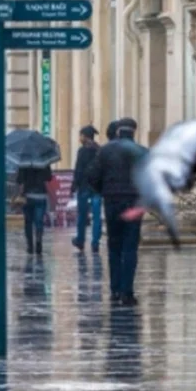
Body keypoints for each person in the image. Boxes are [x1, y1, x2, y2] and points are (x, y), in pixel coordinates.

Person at [87, 117, 149, 305]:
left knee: (114, 245)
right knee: (130, 246)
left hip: (112, 201)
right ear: (133, 132)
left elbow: (92, 176)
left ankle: (114, 290)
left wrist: (104, 191)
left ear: (118, 132)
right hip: (134, 203)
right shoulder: (143, 152)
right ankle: (127, 292)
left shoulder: (104, 151)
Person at [71, 125, 102, 253]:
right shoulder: (99, 150)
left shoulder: (82, 151)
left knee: (82, 216)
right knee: (97, 216)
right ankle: (95, 242)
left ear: (85, 136)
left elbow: (78, 169)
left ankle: (80, 240)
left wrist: (74, 185)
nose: (80, 138)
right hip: (97, 188)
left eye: (81, 135)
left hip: (84, 187)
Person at [16, 163, 52, 255]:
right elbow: (49, 177)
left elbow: (19, 179)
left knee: (28, 221)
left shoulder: (24, 161)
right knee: (39, 220)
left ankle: (30, 246)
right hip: (41, 195)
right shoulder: (43, 160)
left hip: (28, 195)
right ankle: (39, 240)